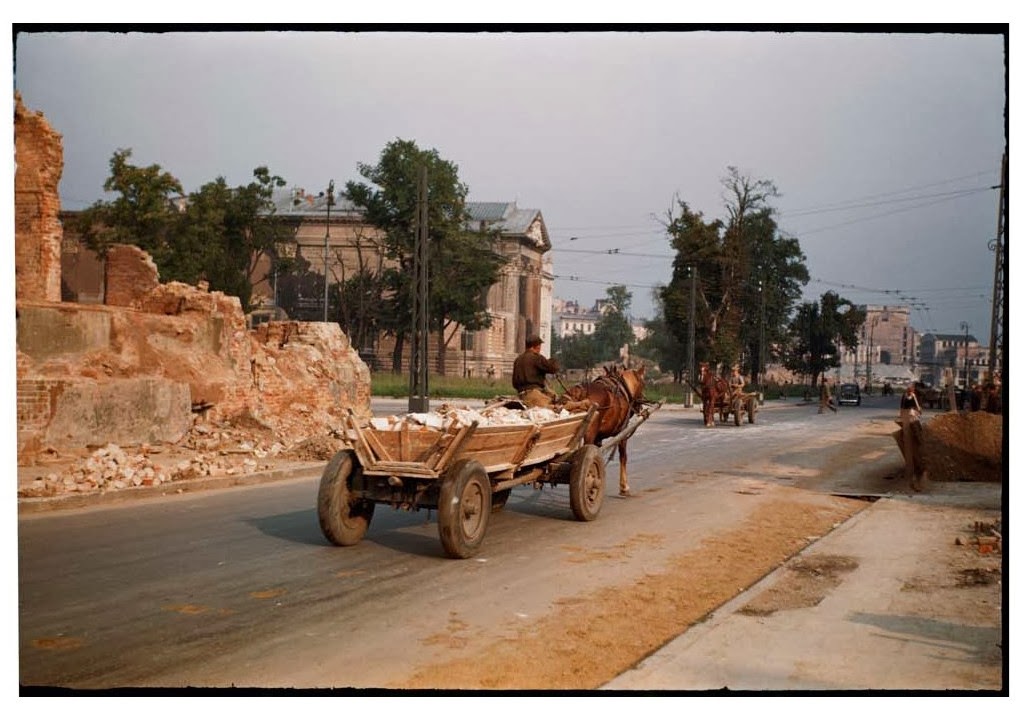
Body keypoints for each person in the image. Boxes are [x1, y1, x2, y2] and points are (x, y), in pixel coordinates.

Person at [512, 335, 560, 408]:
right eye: (539, 345)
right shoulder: (536, 358)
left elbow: (514, 382)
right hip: (533, 394)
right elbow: (553, 369)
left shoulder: (518, 359)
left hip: (521, 394)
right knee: (556, 407)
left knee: (552, 396)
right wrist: (554, 360)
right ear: (537, 346)